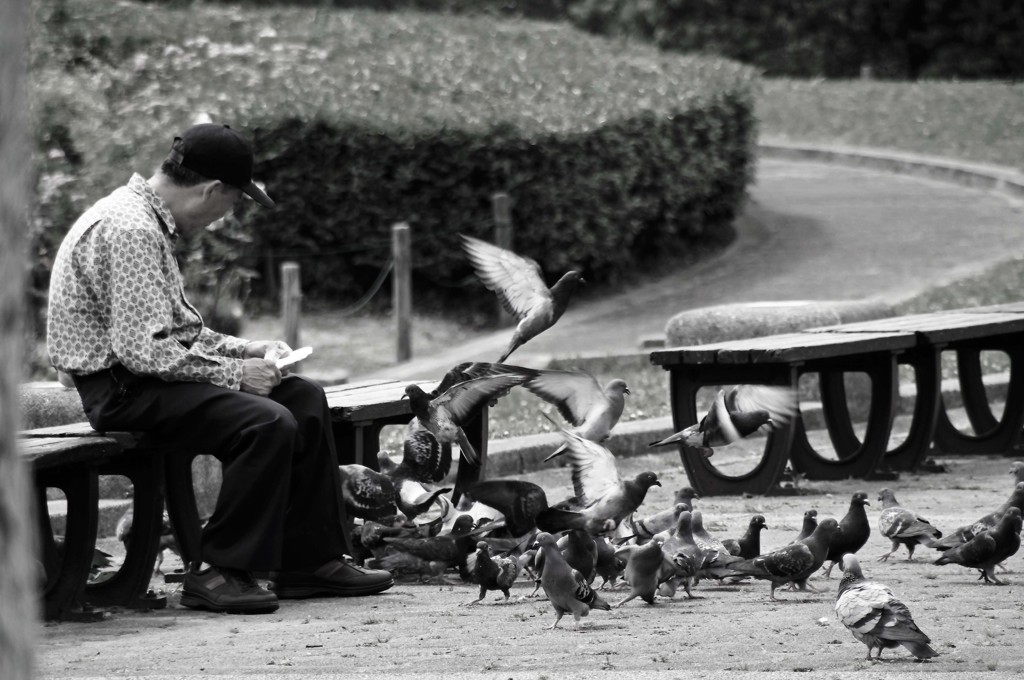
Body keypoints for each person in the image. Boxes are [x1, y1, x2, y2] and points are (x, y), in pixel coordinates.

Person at [46, 123, 393, 614]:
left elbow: (181, 335)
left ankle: (307, 561)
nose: (225, 216)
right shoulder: (131, 230)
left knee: (302, 397)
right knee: (266, 421)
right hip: (122, 389)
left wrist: (247, 351)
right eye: (232, 204)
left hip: (146, 378)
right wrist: (236, 376)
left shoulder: (144, 221)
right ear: (212, 190)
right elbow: (144, 352)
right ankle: (218, 571)